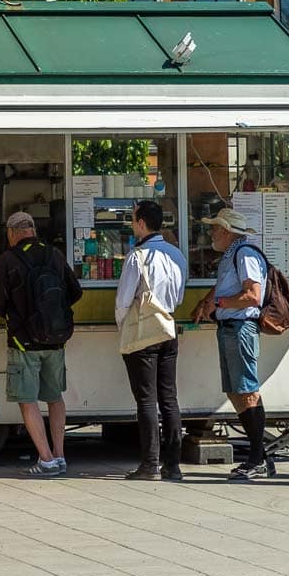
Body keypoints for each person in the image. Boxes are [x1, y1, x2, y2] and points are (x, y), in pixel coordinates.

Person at [0, 211, 82, 478]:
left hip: (23, 342)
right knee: (55, 397)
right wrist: (51, 316)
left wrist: (21, 315)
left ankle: (46, 459)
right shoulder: (54, 254)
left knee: (27, 400)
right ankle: (60, 455)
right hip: (55, 341)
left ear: (11, 233)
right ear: (32, 230)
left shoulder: (8, 258)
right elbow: (75, 291)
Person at [191, 208, 271, 480]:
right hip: (229, 327)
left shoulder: (244, 254)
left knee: (247, 390)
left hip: (240, 327)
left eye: (214, 228)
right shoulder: (231, 255)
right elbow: (223, 287)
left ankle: (258, 457)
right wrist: (206, 302)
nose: (211, 233)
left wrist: (220, 303)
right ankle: (260, 455)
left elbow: (253, 296)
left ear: (226, 231)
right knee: (236, 391)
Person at [114, 201, 188, 481]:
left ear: (142, 223)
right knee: (169, 397)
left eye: (134, 221)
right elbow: (179, 296)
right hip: (168, 327)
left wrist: (123, 326)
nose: (133, 225)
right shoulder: (177, 255)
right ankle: (173, 464)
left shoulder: (138, 257)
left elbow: (123, 301)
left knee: (146, 399)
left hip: (144, 332)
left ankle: (149, 464)